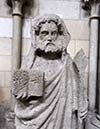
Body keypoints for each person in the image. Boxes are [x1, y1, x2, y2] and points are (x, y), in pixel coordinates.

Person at [13, 14, 87, 129]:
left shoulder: (67, 64)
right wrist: (23, 93)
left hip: (62, 119)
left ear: (59, 35)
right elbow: (19, 94)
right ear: (37, 35)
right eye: (45, 33)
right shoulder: (29, 63)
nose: (50, 38)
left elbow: (77, 96)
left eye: (54, 33)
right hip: (33, 119)